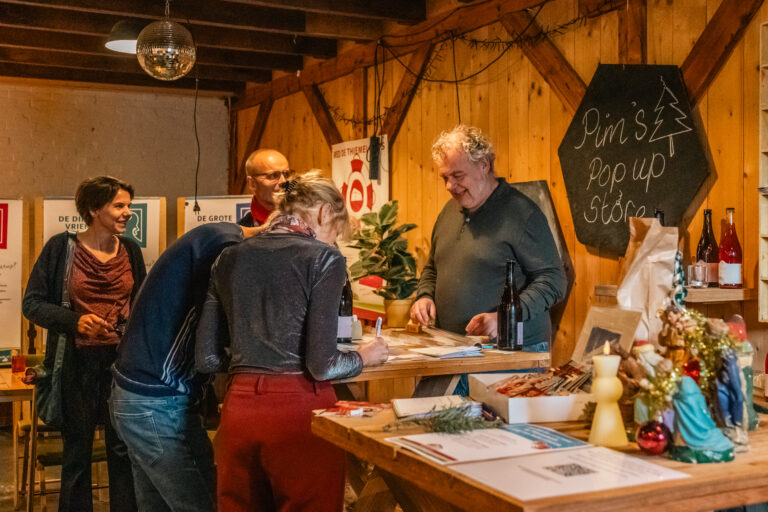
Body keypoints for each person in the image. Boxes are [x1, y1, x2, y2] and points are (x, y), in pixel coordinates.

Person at [196, 171, 388, 512]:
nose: (332, 242)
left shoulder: (227, 258)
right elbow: (322, 364)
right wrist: (364, 357)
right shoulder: (324, 258)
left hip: (238, 411)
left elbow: (207, 359)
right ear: (326, 212)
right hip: (300, 412)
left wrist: (253, 365)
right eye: (335, 233)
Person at [109, 222, 261, 512]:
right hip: (153, 398)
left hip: (146, 395)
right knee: (201, 504)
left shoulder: (217, 236)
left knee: (163, 504)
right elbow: (215, 341)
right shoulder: (225, 250)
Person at [23, 176, 145, 512]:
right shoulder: (61, 248)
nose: (127, 213)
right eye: (119, 206)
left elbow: (142, 307)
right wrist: (76, 321)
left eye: (128, 206)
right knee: (76, 452)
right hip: (76, 363)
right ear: (93, 209)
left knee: (122, 450)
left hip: (121, 364)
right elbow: (32, 303)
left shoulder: (131, 250)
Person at [411, 125, 567, 352]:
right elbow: (433, 268)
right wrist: (424, 296)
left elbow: (554, 280)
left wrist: (504, 318)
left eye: (457, 175)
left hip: (511, 352)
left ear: (484, 165)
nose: (449, 186)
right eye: (445, 177)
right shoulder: (448, 211)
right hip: (452, 349)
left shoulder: (522, 214)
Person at [238, 148, 291, 227]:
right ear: (252, 183)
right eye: (274, 175)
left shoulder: (306, 222)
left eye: (286, 174)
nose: (283, 181)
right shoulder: (241, 234)